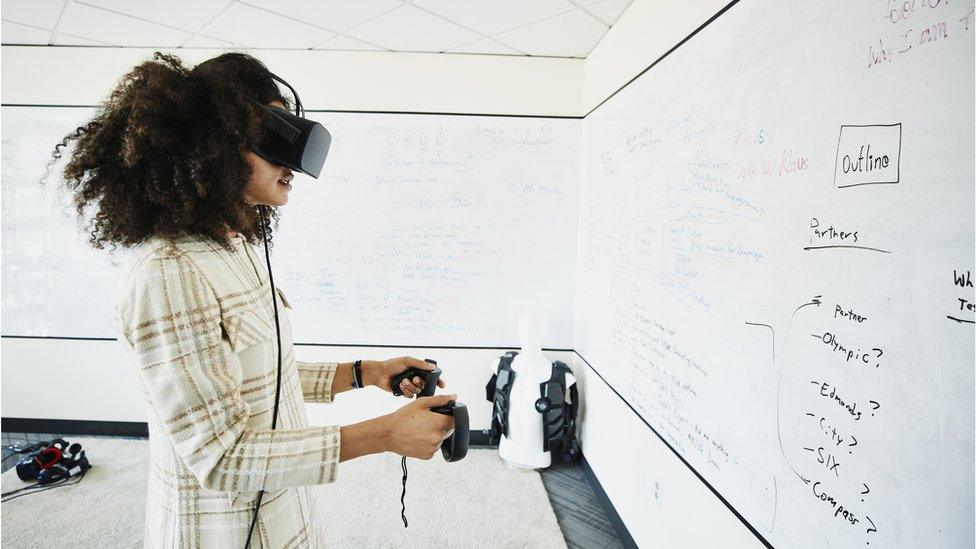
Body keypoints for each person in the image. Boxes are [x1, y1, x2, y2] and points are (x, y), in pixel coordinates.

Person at [43, 51, 456, 548]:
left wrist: (365, 373)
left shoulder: (237, 245)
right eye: (273, 140)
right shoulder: (168, 274)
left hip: (283, 511)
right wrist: (384, 435)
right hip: (224, 530)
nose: (293, 167)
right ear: (216, 146)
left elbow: (251, 376)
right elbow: (221, 456)